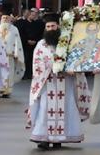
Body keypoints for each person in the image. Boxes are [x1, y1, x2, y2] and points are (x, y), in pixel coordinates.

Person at [27, 13, 90, 150]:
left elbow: (76, 58)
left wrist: (70, 68)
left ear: (58, 26)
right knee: (45, 108)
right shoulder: (41, 45)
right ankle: (43, 138)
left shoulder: (67, 43)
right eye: (48, 26)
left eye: (53, 26)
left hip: (65, 82)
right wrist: (54, 66)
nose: (50, 28)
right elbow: (37, 64)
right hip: (47, 82)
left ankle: (59, 138)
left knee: (65, 108)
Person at [0, 12, 25, 98]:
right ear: (1, 19)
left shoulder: (14, 29)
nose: (5, 19)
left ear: (10, 19)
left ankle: (7, 90)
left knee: (9, 73)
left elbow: (17, 41)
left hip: (9, 55)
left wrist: (17, 53)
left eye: (7, 18)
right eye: (3, 18)